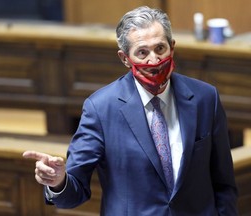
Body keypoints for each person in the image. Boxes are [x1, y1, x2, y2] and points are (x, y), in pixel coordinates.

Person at [23, 6, 238, 215]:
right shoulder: (100, 108)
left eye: (160, 48)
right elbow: (75, 192)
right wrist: (59, 181)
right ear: (125, 58)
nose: (153, 61)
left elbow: (223, 182)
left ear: (172, 47)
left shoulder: (205, 98)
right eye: (142, 53)